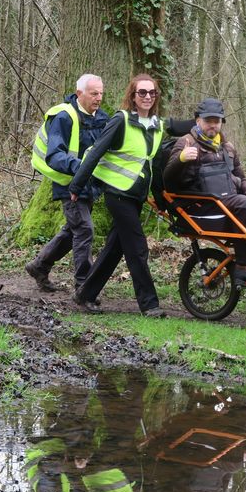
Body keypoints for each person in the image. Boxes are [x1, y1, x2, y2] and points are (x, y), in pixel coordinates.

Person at [68, 73, 192, 316]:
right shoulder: (121, 120)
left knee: (115, 248)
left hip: (137, 196)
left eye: (151, 93)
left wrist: (205, 119)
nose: (147, 97)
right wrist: (77, 186)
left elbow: (156, 162)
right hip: (117, 193)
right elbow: (95, 153)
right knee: (137, 247)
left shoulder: (157, 126)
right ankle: (150, 304)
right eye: (142, 93)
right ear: (133, 97)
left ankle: (85, 294)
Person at [163, 97, 246, 284]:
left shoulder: (227, 147)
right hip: (203, 207)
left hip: (231, 203)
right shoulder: (186, 144)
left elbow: (240, 177)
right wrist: (181, 159)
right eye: (208, 121)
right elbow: (167, 180)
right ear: (198, 120)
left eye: (216, 121)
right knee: (241, 202)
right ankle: (245, 265)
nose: (213, 125)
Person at [25, 74, 109, 295]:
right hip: (68, 183)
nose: (99, 98)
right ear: (79, 93)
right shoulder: (64, 116)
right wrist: (80, 169)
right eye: (94, 93)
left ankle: (39, 266)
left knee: (72, 231)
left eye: (101, 93)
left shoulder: (102, 118)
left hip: (90, 184)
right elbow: (55, 155)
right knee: (84, 229)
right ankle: (84, 286)